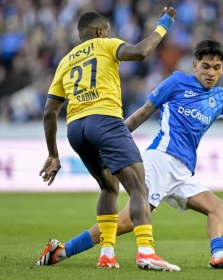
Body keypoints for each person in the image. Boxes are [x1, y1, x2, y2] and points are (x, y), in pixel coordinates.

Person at [36, 40, 223, 270]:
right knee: (126, 222)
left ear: (222, 69)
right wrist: (112, 141)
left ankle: (219, 256)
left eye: (216, 68)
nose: (211, 73)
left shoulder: (221, 97)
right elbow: (142, 114)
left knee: (218, 208)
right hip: (161, 160)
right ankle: (62, 250)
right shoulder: (176, 82)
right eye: (206, 66)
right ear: (195, 65)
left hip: (183, 171)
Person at [36, 9, 181, 271]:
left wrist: (53, 154)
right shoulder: (105, 45)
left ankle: (106, 254)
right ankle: (146, 251)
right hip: (104, 120)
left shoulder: (66, 61)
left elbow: (49, 112)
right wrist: (163, 27)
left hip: (76, 129)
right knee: (138, 188)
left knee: (108, 188)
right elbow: (139, 52)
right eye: (109, 32)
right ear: (101, 32)